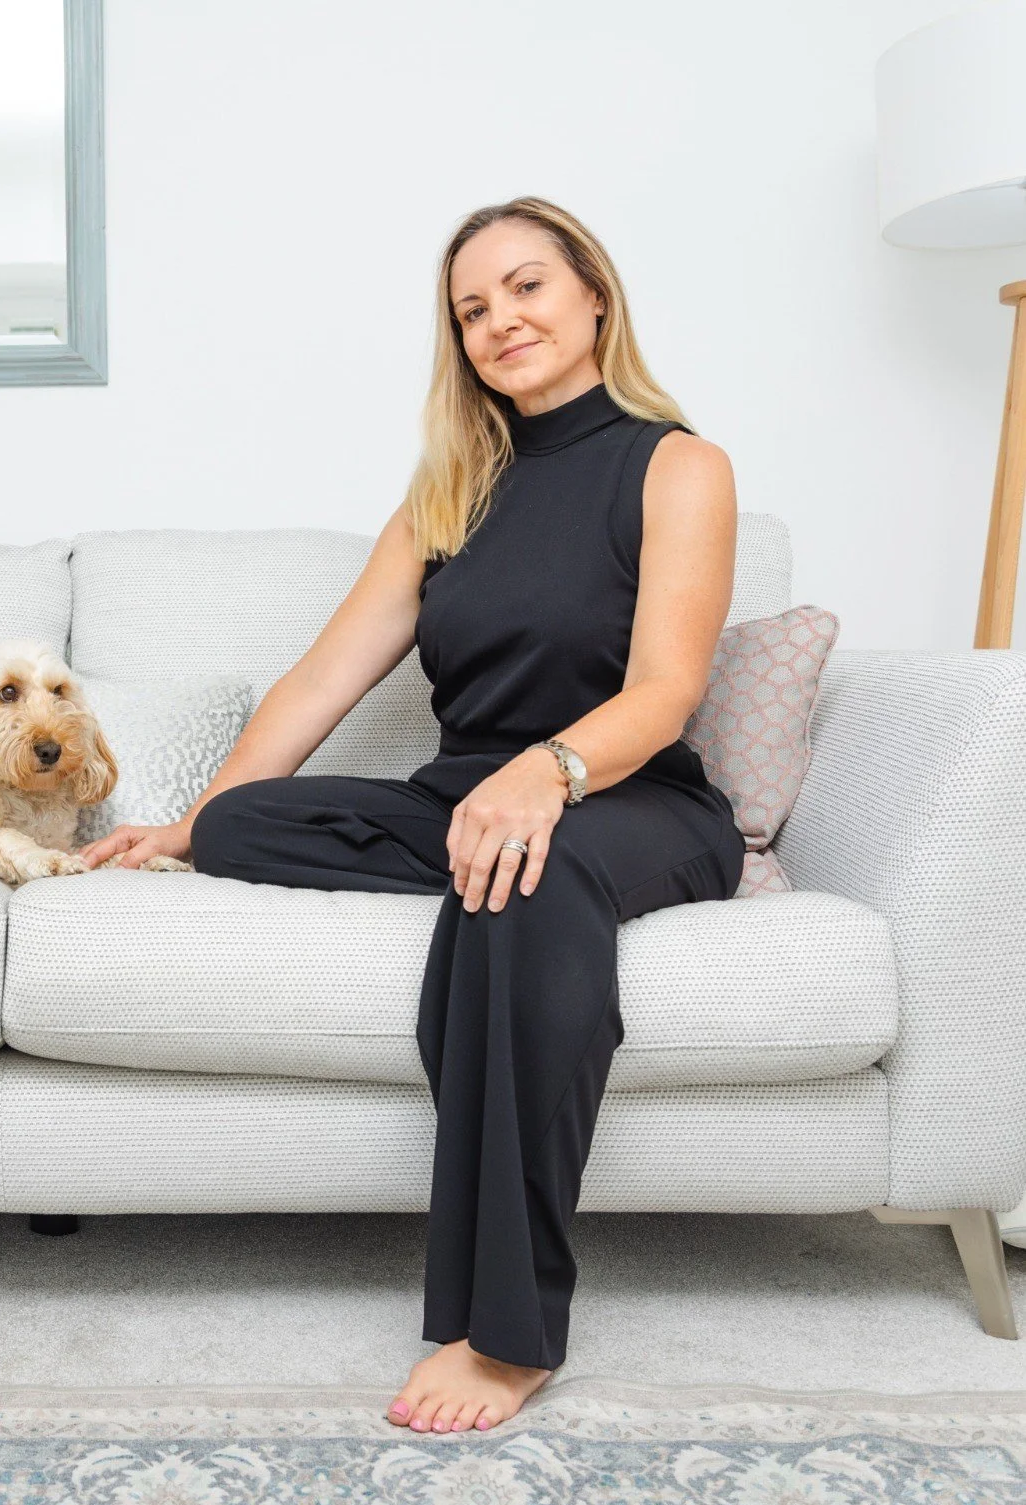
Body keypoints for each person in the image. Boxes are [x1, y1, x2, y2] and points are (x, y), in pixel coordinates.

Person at [77, 196, 745, 1435]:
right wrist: (199, 815)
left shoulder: (675, 463)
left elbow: (666, 688)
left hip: (624, 789)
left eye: (528, 288)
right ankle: (482, 863)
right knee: (242, 831)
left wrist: (547, 771)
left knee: (520, 884)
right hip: (466, 792)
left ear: (595, 294)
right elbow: (323, 680)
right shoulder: (447, 494)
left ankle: (504, 1330)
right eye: (473, 309)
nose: (503, 322)